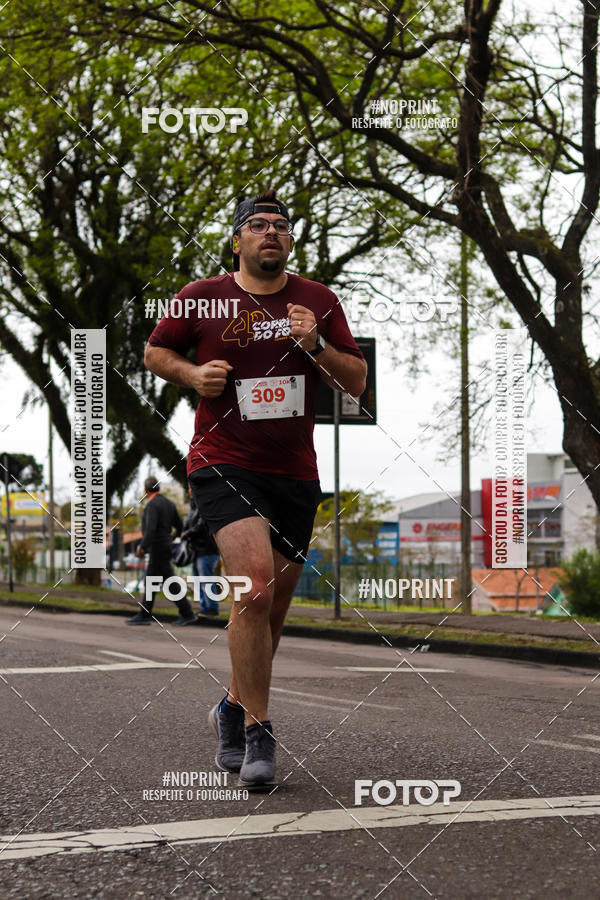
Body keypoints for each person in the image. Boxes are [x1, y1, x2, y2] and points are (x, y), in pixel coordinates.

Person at [144, 188, 366, 786]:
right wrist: (191, 373)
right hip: (222, 462)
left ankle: (231, 705)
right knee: (255, 587)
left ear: (290, 240)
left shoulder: (317, 301)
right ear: (237, 238)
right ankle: (258, 733)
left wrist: (315, 345)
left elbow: (356, 382)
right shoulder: (202, 297)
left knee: (270, 612)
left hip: (294, 473)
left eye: (281, 226)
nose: (271, 232)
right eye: (258, 224)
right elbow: (155, 350)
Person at [125, 476, 194, 626]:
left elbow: (150, 530)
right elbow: (180, 526)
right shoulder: (169, 504)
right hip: (165, 546)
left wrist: (142, 547)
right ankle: (145, 614)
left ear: (145, 490)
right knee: (152, 581)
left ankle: (186, 612)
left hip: (157, 547)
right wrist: (171, 538)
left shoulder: (151, 505)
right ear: (158, 488)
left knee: (168, 582)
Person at [182, 492, 220, 616]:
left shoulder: (204, 504)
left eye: (191, 488)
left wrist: (187, 534)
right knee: (198, 580)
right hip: (196, 551)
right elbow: (187, 525)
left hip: (207, 550)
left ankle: (212, 608)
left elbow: (201, 526)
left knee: (206, 580)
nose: (190, 491)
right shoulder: (193, 507)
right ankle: (205, 608)